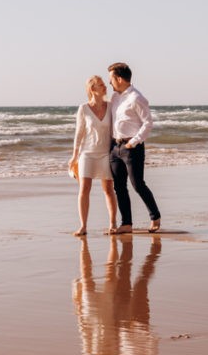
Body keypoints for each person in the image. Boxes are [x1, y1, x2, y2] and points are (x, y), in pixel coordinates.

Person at [107, 62, 161, 234]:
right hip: (115, 147)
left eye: (111, 79)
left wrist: (134, 141)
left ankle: (155, 216)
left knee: (137, 184)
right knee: (119, 187)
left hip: (132, 147)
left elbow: (148, 123)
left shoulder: (137, 98)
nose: (110, 83)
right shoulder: (115, 97)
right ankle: (127, 223)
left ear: (120, 79)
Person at [68, 75, 118, 237]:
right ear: (92, 89)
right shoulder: (83, 108)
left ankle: (113, 224)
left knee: (108, 189)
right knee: (84, 189)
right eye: (101, 85)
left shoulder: (111, 106)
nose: (105, 87)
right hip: (87, 154)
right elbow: (79, 133)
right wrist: (74, 156)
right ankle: (83, 226)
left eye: (104, 84)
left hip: (105, 153)